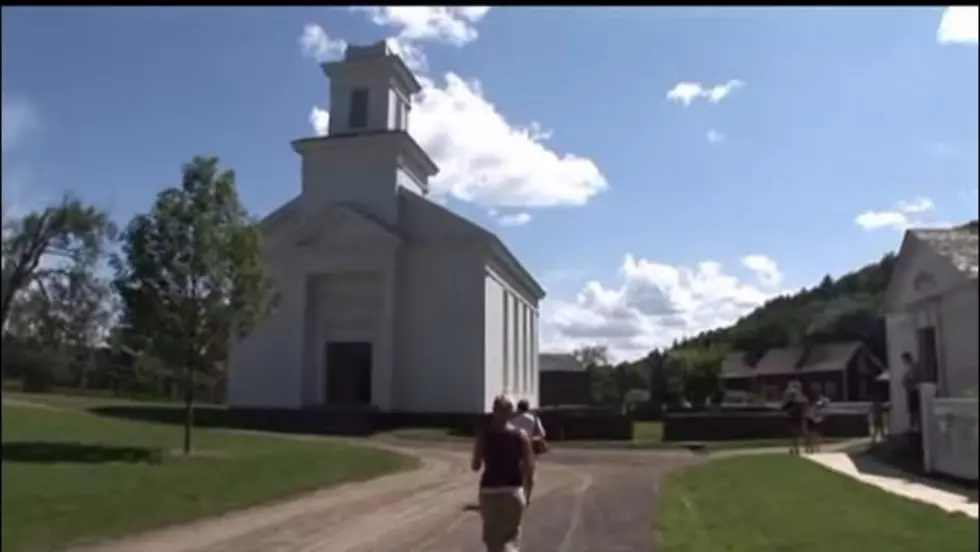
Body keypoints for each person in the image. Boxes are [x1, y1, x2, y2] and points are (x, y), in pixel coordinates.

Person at [472, 395, 535, 552]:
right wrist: (528, 493)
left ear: (493, 411)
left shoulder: (484, 435)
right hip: (512, 491)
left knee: (493, 541)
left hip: (489, 491)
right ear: (512, 413)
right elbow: (529, 467)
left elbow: (475, 465)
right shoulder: (521, 436)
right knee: (511, 538)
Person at [510, 399, 547, 503]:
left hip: (517, 449)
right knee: (530, 474)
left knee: (519, 473)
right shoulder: (534, 419)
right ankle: (528, 496)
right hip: (531, 449)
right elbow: (542, 434)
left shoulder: (514, 420)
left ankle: (519, 495)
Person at [780, 381, 808, 456]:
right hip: (795, 418)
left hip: (797, 418)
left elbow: (785, 407)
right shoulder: (799, 400)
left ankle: (803, 447)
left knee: (800, 433)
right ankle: (798, 448)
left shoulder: (800, 400)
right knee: (796, 434)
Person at [901, 352, 922, 431]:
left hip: (914, 391)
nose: (904, 362)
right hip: (910, 391)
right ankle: (914, 426)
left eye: (904, 360)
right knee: (911, 410)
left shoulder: (913, 368)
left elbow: (912, 378)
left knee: (915, 410)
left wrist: (907, 380)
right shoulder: (909, 369)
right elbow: (904, 381)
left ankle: (917, 426)